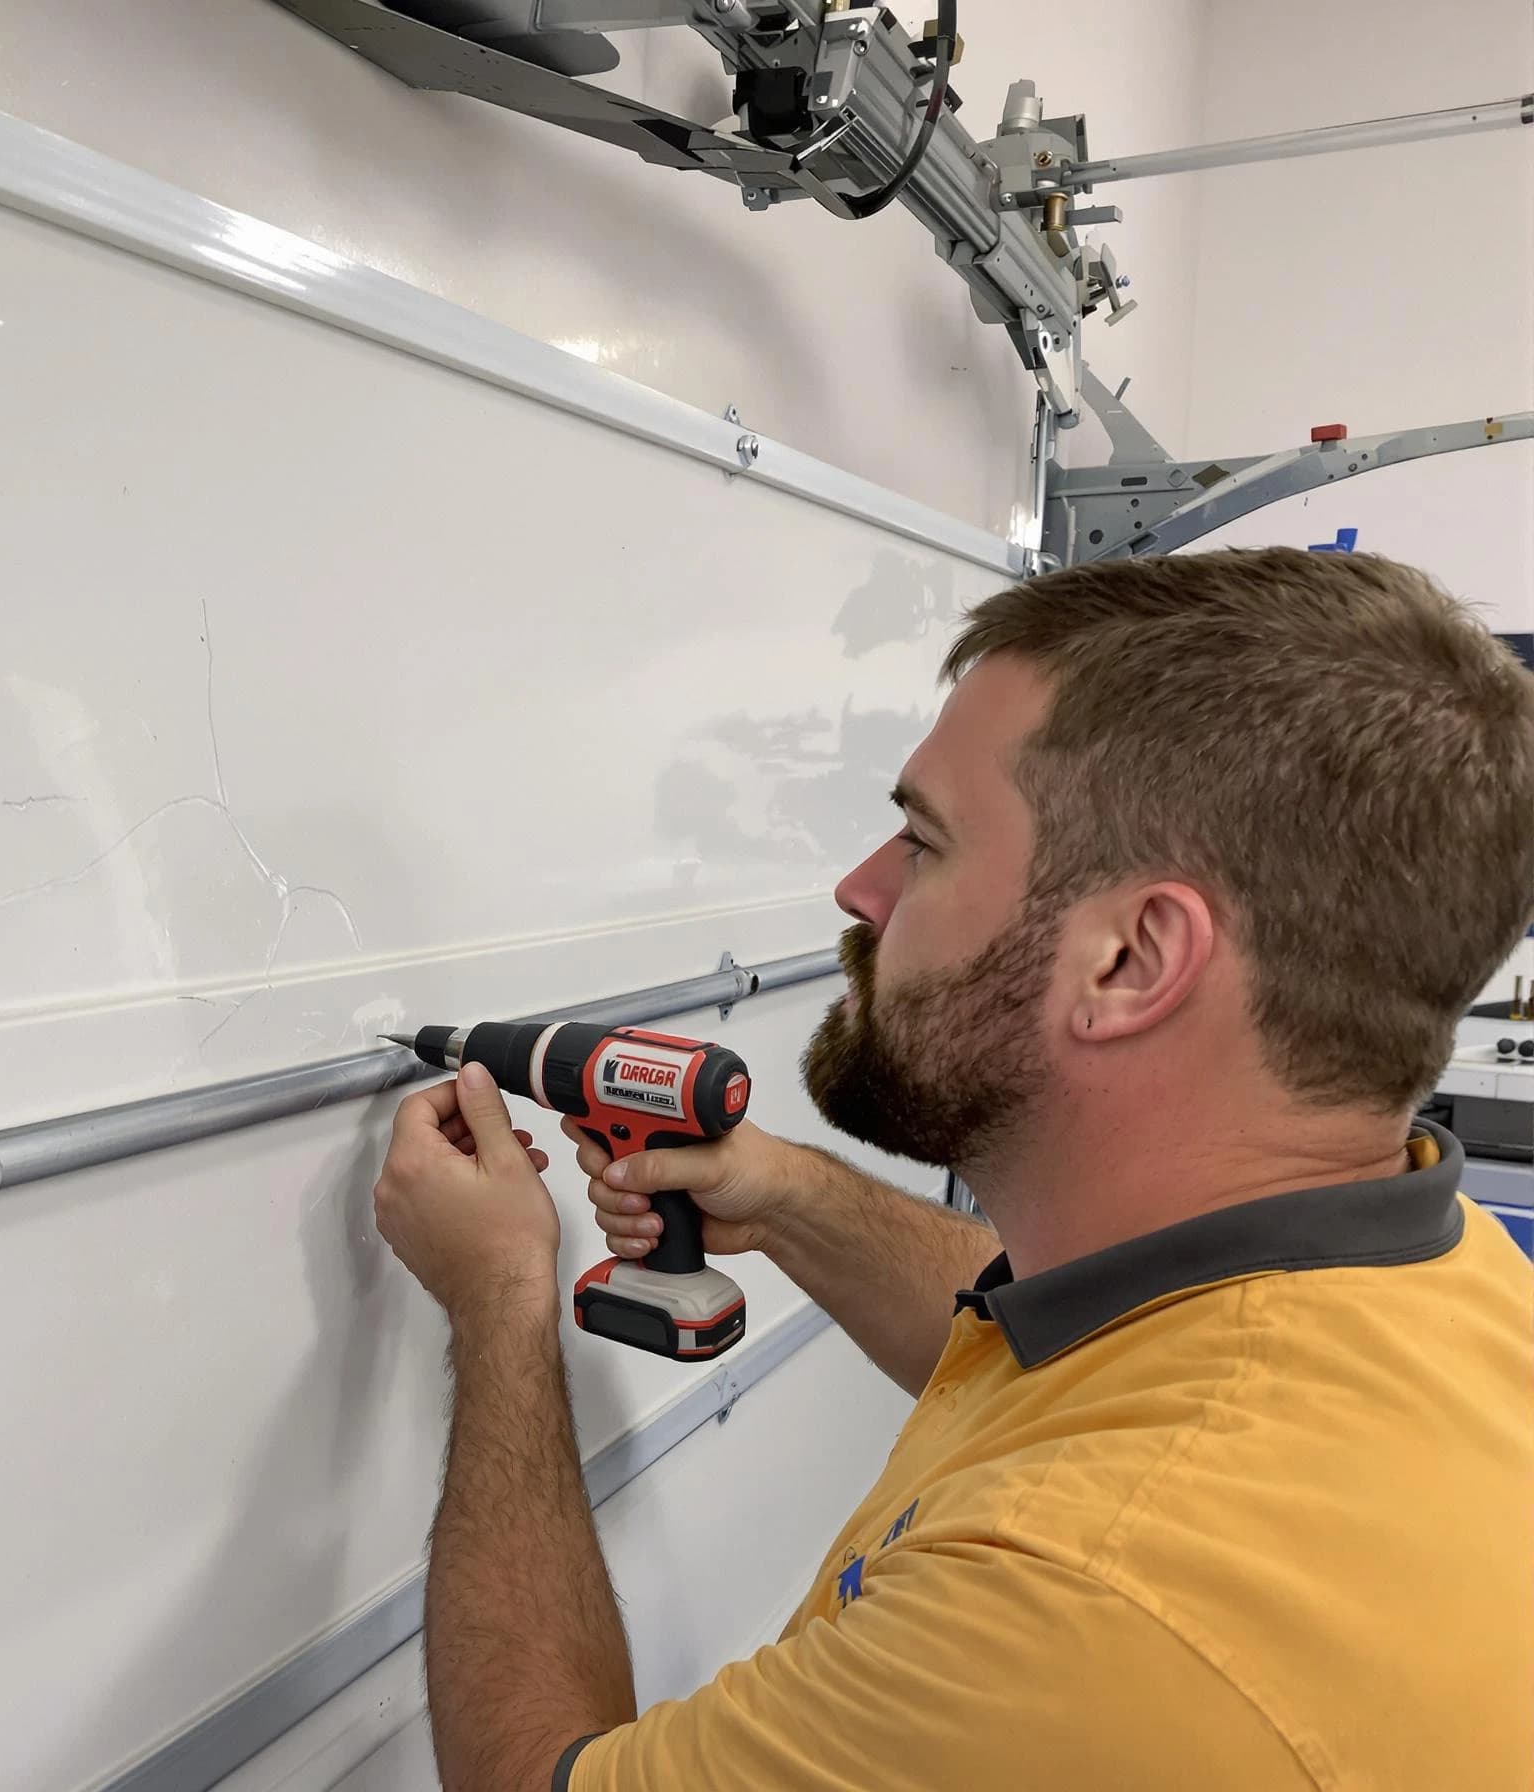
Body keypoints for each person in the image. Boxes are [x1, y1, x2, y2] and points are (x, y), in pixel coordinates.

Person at [371, 548, 1534, 1791]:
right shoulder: (1449, 1286)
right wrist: (791, 1194)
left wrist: (499, 1298)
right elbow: (1103, 1374)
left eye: (923, 842)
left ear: (1131, 960)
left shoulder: (1090, 1617)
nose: (860, 887)